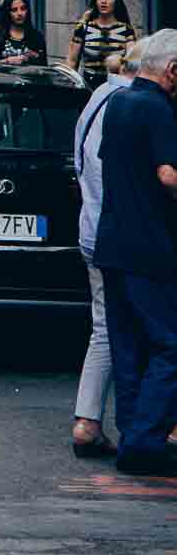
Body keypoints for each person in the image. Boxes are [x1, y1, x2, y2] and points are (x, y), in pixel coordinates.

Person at [90, 28, 177, 476]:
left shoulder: (118, 102)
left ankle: (131, 434)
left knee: (130, 347)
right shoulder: (159, 109)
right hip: (151, 248)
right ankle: (144, 442)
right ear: (172, 71)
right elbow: (167, 174)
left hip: (113, 243)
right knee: (170, 345)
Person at [71, 49, 134, 459]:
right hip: (123, 236)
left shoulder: (96, 99)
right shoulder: (134, 108)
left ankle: (87, 421)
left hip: (93, 229)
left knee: (105, 329)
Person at [68, 0, 136, 88]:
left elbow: (132, 62)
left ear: (116, 1)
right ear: (95, 1)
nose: (103, 1)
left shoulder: (126, 29)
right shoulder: (83, 27)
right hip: (89, 86)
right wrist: (70, 87)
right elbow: (72, 61)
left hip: (116, 86)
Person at [0, 0, 47, 67]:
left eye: (23, 8)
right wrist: (7, 61)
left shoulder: (37, 37)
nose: (20, 13)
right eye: (14, 10)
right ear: (7, 12)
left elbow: (43, 68)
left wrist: (35, 57)